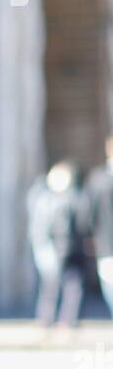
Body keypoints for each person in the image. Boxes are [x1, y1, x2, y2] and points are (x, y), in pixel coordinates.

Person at [26, 160, 89, 326]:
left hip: (69, 249)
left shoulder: (73, 198)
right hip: (55, 249)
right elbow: (39, 228)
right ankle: (48, 319)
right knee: (53, 288)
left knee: (70, 288)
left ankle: (65, 320)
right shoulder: (45, 200)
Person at [86, 135, 113, 317]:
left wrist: (89, 237)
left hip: (106, 246)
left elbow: (88, 213)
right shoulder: (98, 180)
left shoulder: (97, 180)